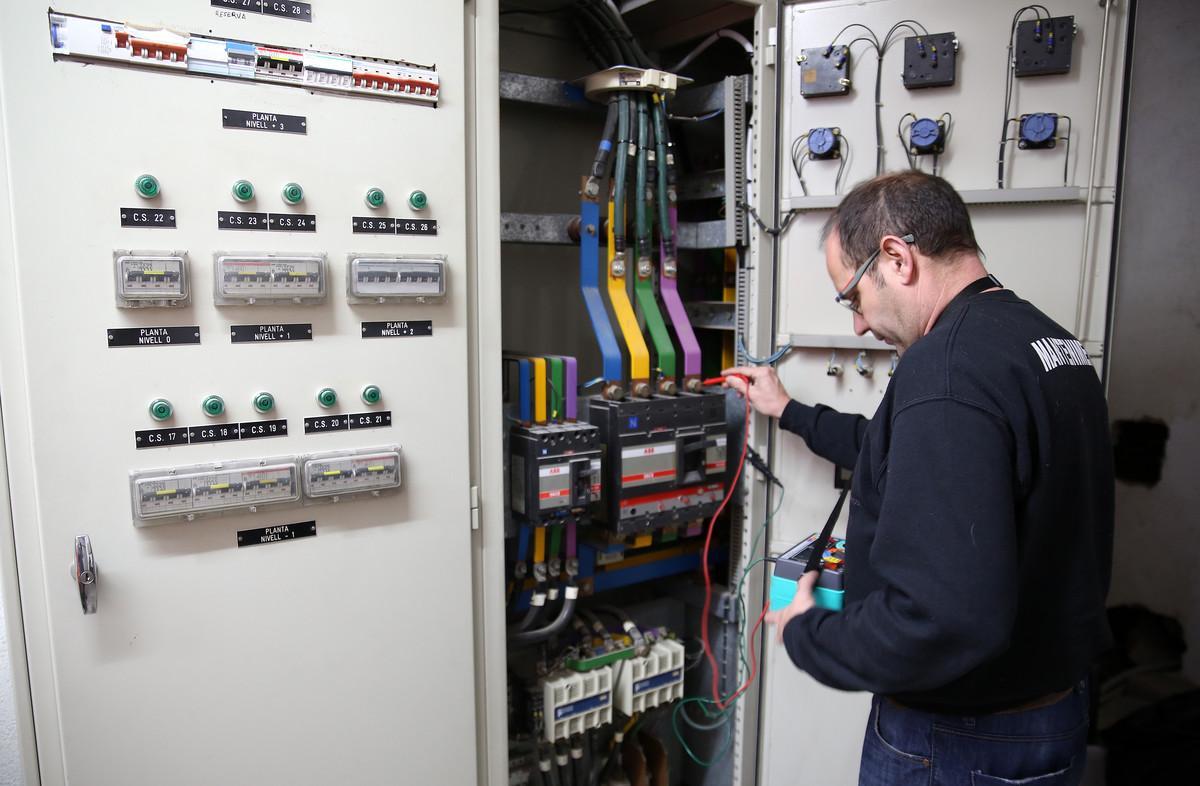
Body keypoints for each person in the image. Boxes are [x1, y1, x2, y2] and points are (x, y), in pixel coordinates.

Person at [723, 172, 1113, 786]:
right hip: (1052, 716)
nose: (857, 324)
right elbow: (906, 452)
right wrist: (789, 411)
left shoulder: (947, 374)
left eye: (852, 296)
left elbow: (943, 617)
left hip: (959, 743)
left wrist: (809, 632)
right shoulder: (1045, 342)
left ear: (896, 258)